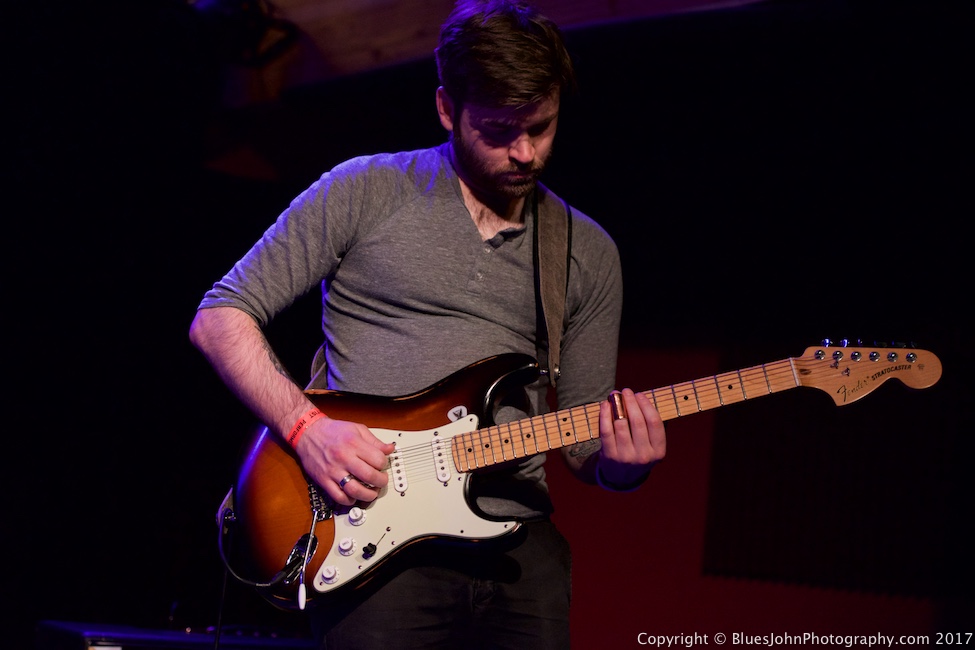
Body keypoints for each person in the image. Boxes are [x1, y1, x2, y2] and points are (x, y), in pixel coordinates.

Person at [189, 0, 666, 647]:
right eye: (498, 130)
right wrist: (306, 428)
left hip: (518, 551)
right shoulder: (363, 190)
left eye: (541, 127)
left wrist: (623, 466)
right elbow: (220, 316)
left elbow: (584, 446)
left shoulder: (587, 251)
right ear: (447, 108)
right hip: (371, 536)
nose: (524, 152)